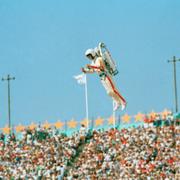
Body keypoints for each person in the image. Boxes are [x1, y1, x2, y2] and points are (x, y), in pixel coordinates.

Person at [82, 44, 126, 111]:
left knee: (114, 89)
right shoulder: (93, 62)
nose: (89, 57)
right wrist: (86, 71)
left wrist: (92, 67)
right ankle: (117, 102)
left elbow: (101, 67)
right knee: (109, 92)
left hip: (106, 75)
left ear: (93, 54)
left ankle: (123, 102)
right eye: (88, 57)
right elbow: (93, 70)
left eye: (90, 56)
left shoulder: (99, 59)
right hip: (102, 78)